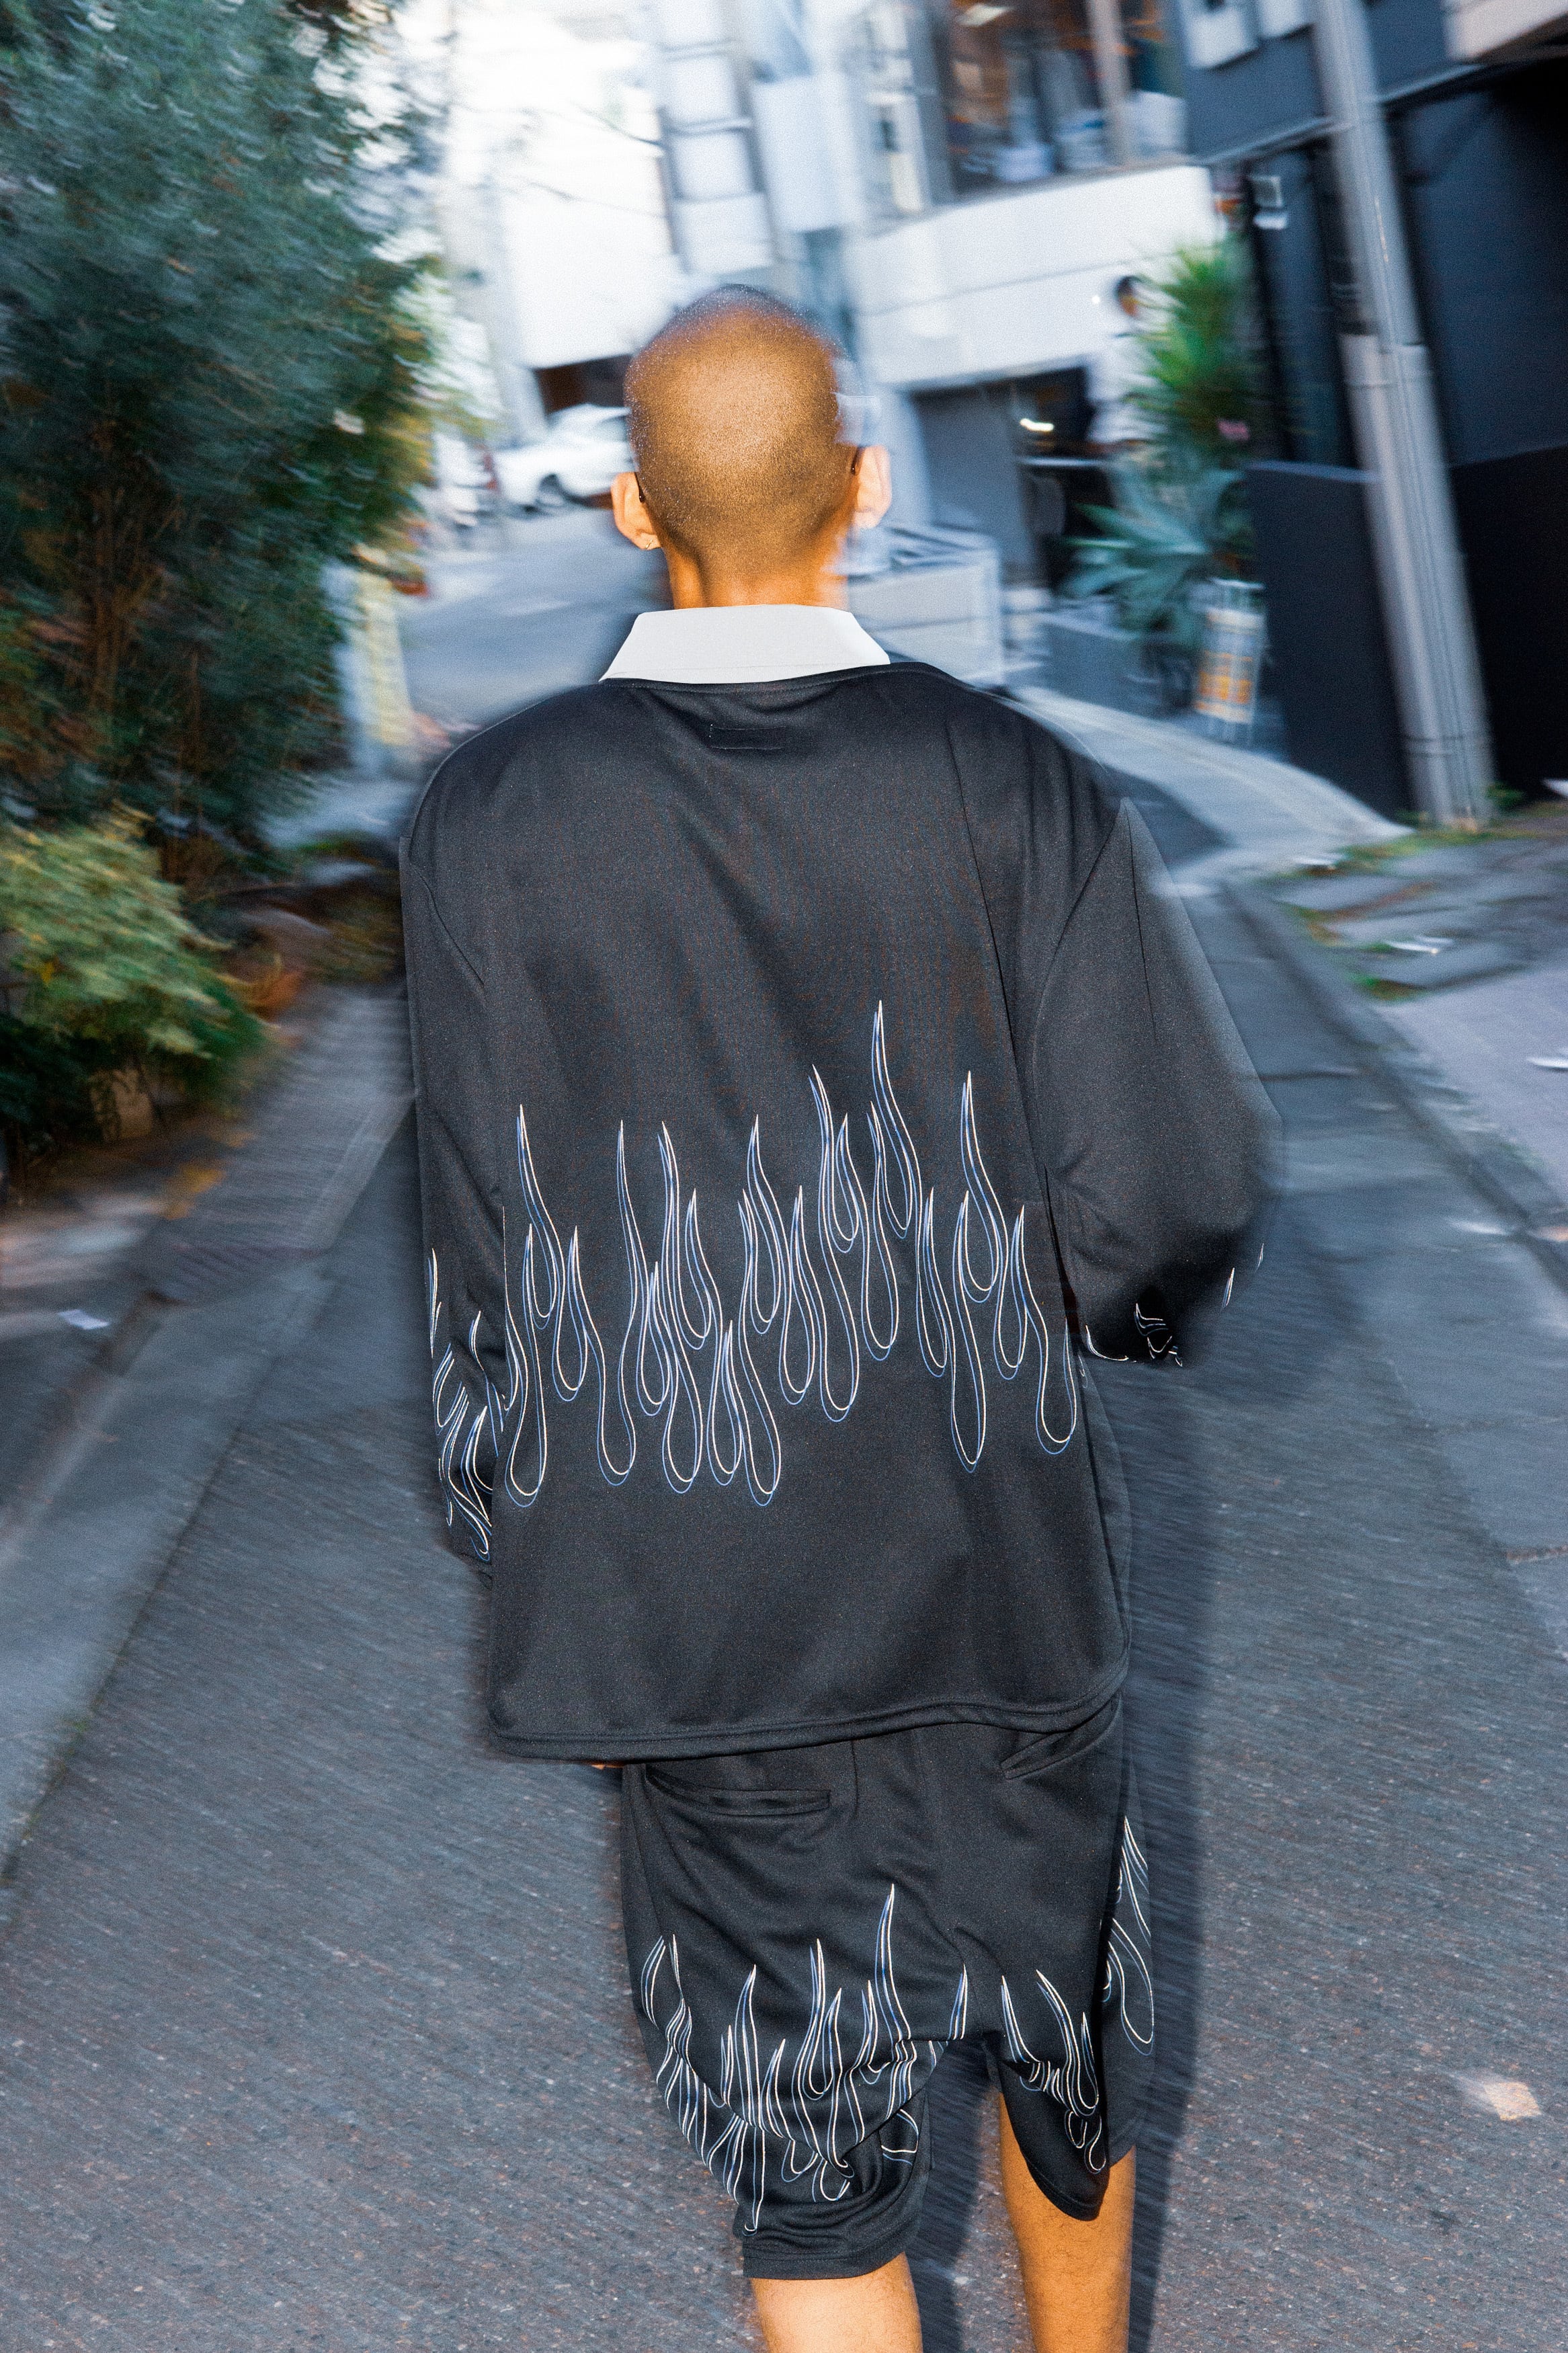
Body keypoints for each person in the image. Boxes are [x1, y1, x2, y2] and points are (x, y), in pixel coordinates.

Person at [401, 289, 1276, 2352]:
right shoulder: (1013, 782)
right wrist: (1065, 1319)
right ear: (865, 489)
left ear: (635, 507)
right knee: (1063, 2032)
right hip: (998, 1563)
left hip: (700, 1602)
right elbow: (1173, 1191)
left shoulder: (489, 822)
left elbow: (479, 1242)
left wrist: (521, 1515)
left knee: (807, 2164)